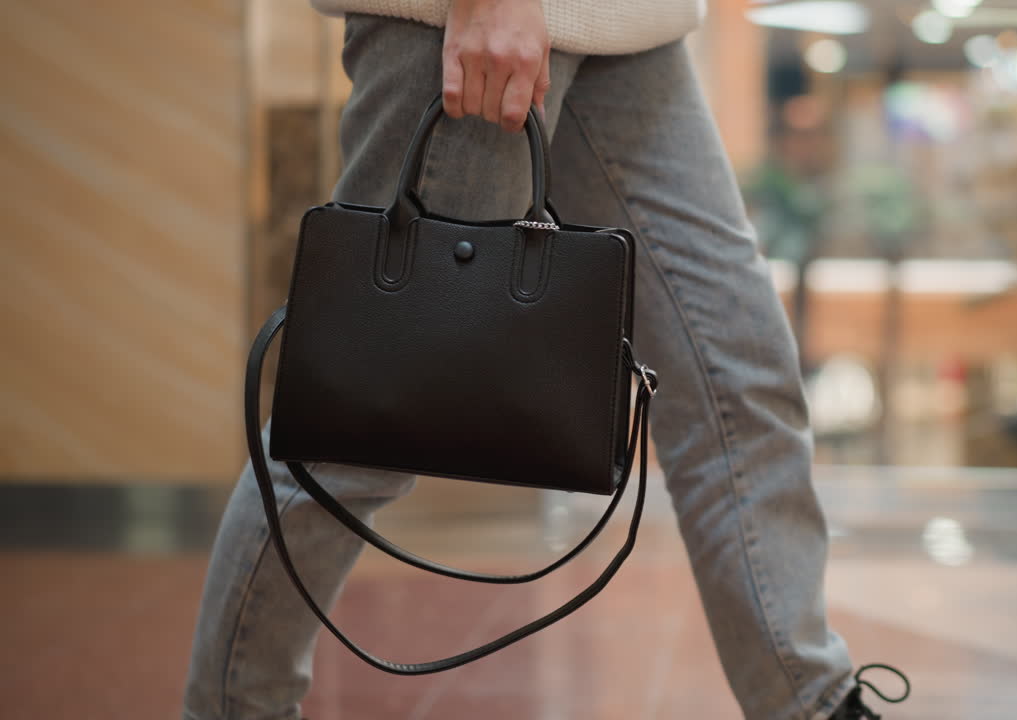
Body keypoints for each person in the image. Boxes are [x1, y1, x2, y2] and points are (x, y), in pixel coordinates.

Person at [182, 1, 910, 718]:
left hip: (632, 26)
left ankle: (810, 703)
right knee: (361, 417)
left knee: (738, 379)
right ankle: (235, 709)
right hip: (471, 19)